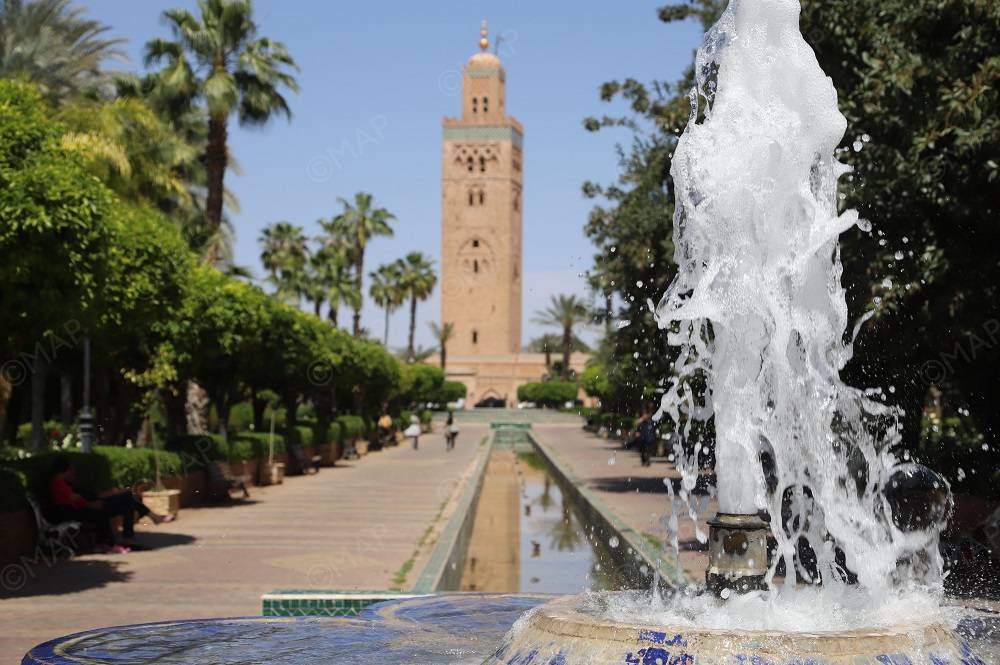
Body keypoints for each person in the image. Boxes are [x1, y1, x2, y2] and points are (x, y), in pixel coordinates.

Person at [48, 457, 173, 554]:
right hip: (90, 508)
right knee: (130, 496)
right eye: (71, 470)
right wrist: (101, 497)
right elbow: (78, 499)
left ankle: (132, 533)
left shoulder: (65, 483)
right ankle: (147, 521)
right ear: (65, 470)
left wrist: (104, 495)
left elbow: (81, 497)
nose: (73, 472)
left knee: (130, 501)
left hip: (93, 506)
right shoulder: (59, 483)